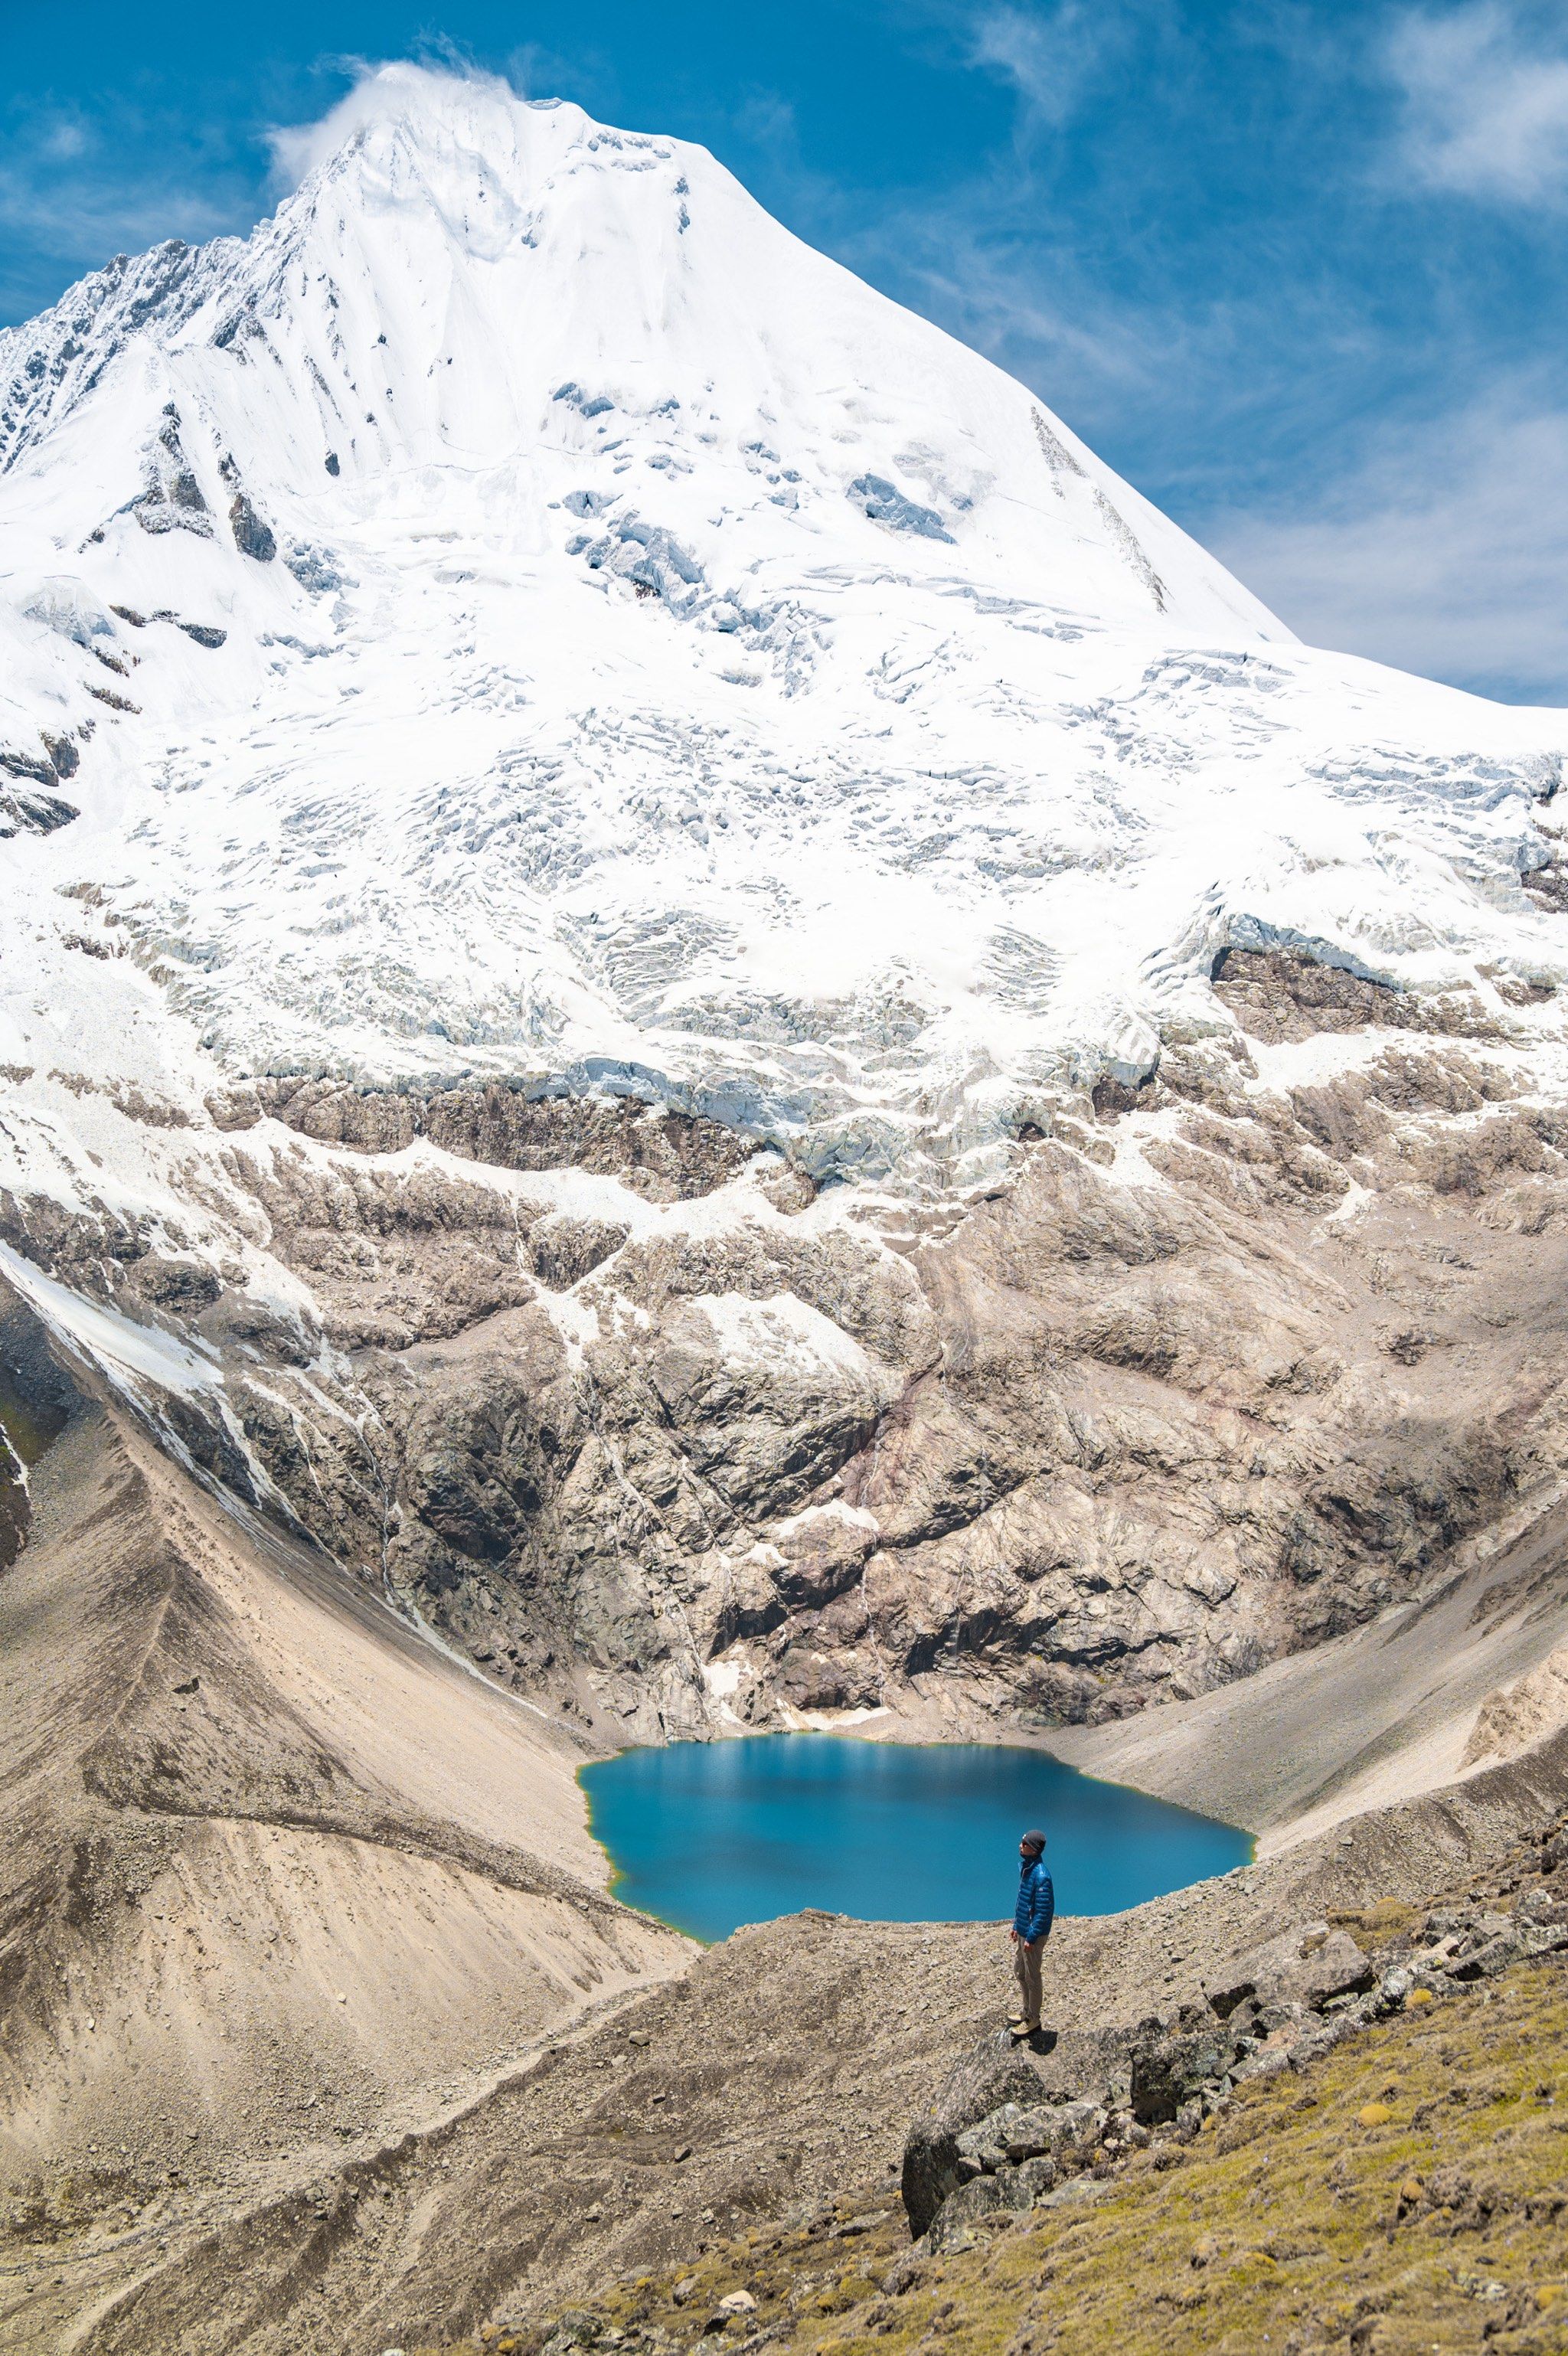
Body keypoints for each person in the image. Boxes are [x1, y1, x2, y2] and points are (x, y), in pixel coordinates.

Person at [1008, 1828, 1054, 2037]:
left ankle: (1033, 2019)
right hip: (1024, 1931)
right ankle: (1025, 2011)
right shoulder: (1028, 1869)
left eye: (1024, 1843)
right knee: (1020, 1971)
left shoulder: (1041, 1876)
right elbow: (1024, 1903)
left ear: (1033, 1849)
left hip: (1033, 1935)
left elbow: (1044, 1912)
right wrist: (1017, 1926)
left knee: (1033, 1977)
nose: (1020, 1845)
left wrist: (1032, 1936)